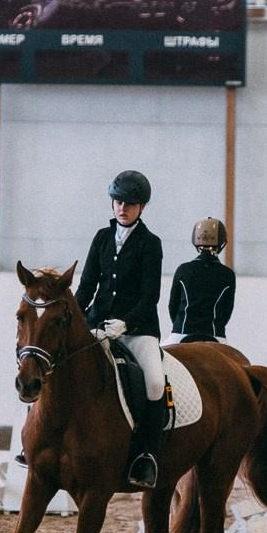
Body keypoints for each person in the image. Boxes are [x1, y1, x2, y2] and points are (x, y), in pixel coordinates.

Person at [75, 170, 166, 490]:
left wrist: (126, 323)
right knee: (59, 366)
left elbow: (150, 296)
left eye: (129, 203)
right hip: (98, 325)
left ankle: (145, 456)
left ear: (142, 207)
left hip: (137, 329)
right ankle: (37, 444)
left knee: (155, 383)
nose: (121, 208)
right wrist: (77, 320)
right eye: (117, 202)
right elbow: (86, 286)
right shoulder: (101, 237)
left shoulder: (150, 244)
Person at [163, 217, 236, 346]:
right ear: (222, 243)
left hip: (181, 333)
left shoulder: (183, 270)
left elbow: (172, 306)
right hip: (215, 336)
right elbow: (227, 312)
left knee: (154, 363)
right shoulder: (228, 274)